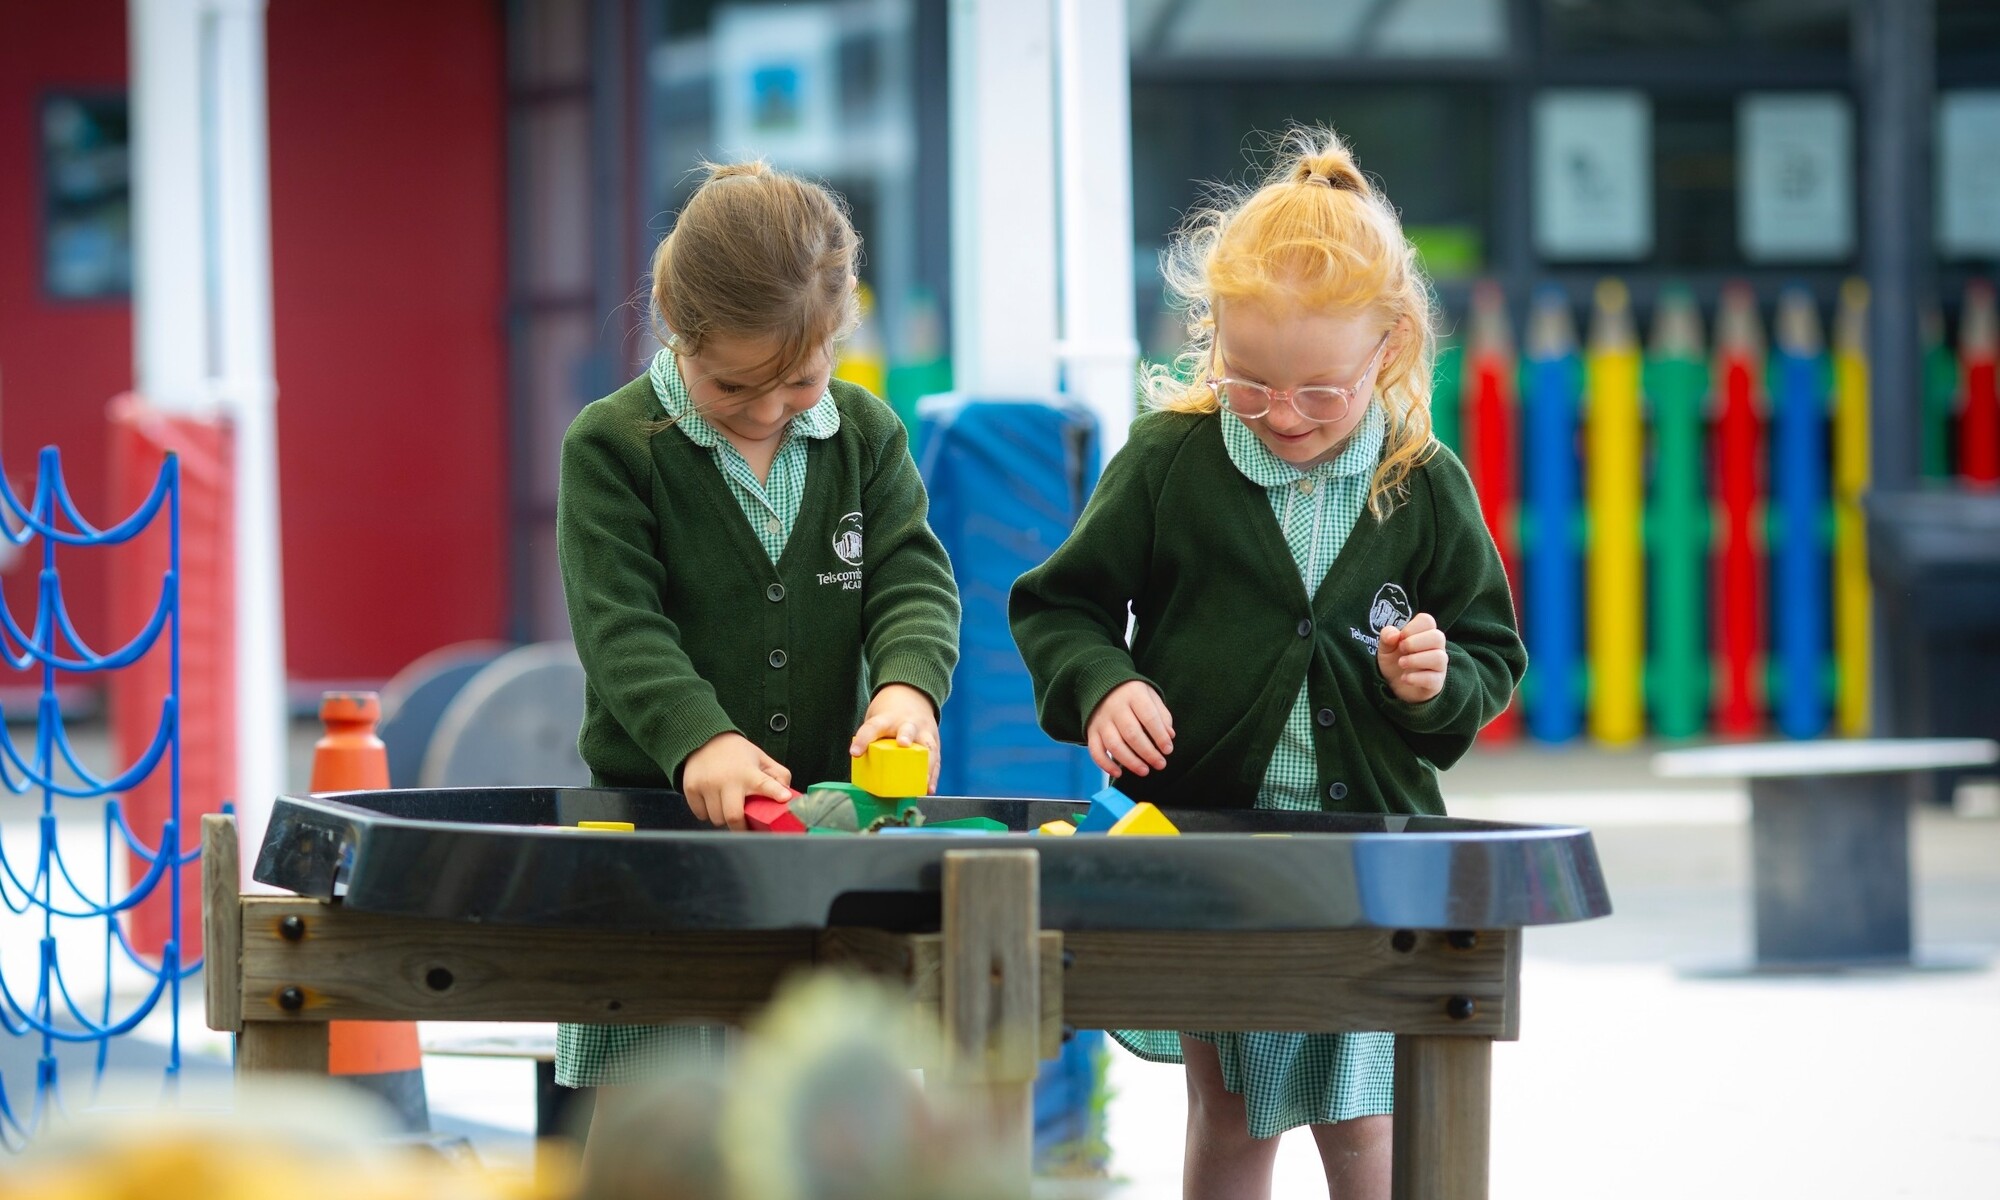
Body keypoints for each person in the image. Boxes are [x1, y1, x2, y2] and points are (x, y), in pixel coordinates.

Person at [1009, 127, 1526, 1200]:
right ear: (1214, 342)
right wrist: (1104, 684)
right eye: (1250, 386)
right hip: (1213, 846)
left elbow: (1485, 649)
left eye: (1317, 394)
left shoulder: (1419, 480)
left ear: (1385, 348)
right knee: (1233, 1112)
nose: (1281, 415)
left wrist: (1436, 681)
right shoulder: (1168, 460)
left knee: (1364, 1125)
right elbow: (1059, 606)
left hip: (1373, 852)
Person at [554, 159, 961, 1145]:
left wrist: (906, 692)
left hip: (820, 832)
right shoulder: (614, 447)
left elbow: (909, 578)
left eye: (799, 380)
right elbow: (620, 626)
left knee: (821, 1101)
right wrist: (700, 741)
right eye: (733, 384)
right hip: (655, 837)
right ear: (672, 323)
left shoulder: (863, 435)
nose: (768, 407)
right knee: (654, 1100)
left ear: (837, 337)